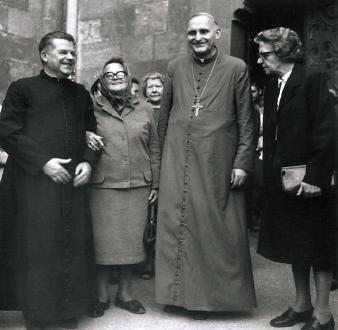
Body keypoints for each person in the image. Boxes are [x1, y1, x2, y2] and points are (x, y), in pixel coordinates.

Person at [155, 12, 257, 320]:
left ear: (217, 33)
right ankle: (178, 297)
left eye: (203, 32)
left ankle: (210, 300)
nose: (197, 37)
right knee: (176, 224)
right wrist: (162, 159)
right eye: (191, 33)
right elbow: (164, 115)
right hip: (177, 158)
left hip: (217, 160)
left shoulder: (236, 68)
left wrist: (242, 162)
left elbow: (246, 120)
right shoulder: (174, 67)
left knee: (215, 229)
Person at [0, 31, 97, 330]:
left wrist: (87, 163)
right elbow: (7, 131)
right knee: (38, 249)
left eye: (73, 52)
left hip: (72, 186)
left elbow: (91, 134)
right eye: (63, 52)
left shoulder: (81, 93)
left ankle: (67, 311)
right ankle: (38, 315)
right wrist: (43, 163)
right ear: (44, 55)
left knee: (70, 246)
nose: (70, 57)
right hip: (33, 187)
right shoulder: (22, 89)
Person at [255, 27, 336, 330]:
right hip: (284, 180)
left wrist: (316, 178)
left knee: (318, 246)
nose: (260, 61)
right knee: (295, 243)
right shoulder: (274, 83)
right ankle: (302, 305)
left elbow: (326, 134)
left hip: (311, 181)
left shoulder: (313, 80)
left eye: (265, 54)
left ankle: (324, 314)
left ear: (284, 52)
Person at [87, 57, 161, 317]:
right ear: (102, 80)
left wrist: (157, 183)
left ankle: (126, 295)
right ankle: (101, 297)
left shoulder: (146, 109)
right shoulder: (91, 107)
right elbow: (77, 135)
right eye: (109, 74)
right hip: (102, 186)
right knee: (102, 245)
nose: (116, 77)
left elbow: (154, 147)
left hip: (138, 185)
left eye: (121, 73)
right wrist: (86, 134)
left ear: (129, 77)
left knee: (132, 245)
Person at [138, 71, 165, 281]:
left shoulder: (171, 110)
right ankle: (147, 259)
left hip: (170, 164)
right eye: (150, 86)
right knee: (149, 215)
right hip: (147, 165)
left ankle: (163, 260)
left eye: (158, 86)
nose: (154, 89)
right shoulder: (142, 111)